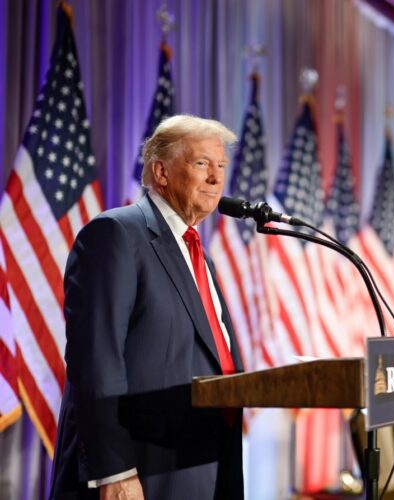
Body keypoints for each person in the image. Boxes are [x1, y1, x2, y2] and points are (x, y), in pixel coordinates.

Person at [50, 115, 244, 499]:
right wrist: (114, 470)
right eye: (202, 163)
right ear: (162, 171)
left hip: (204, 460)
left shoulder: (201, 257)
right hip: (142, 472)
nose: (216, 179)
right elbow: (96, 363)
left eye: (221, 166)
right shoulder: (115, 234)